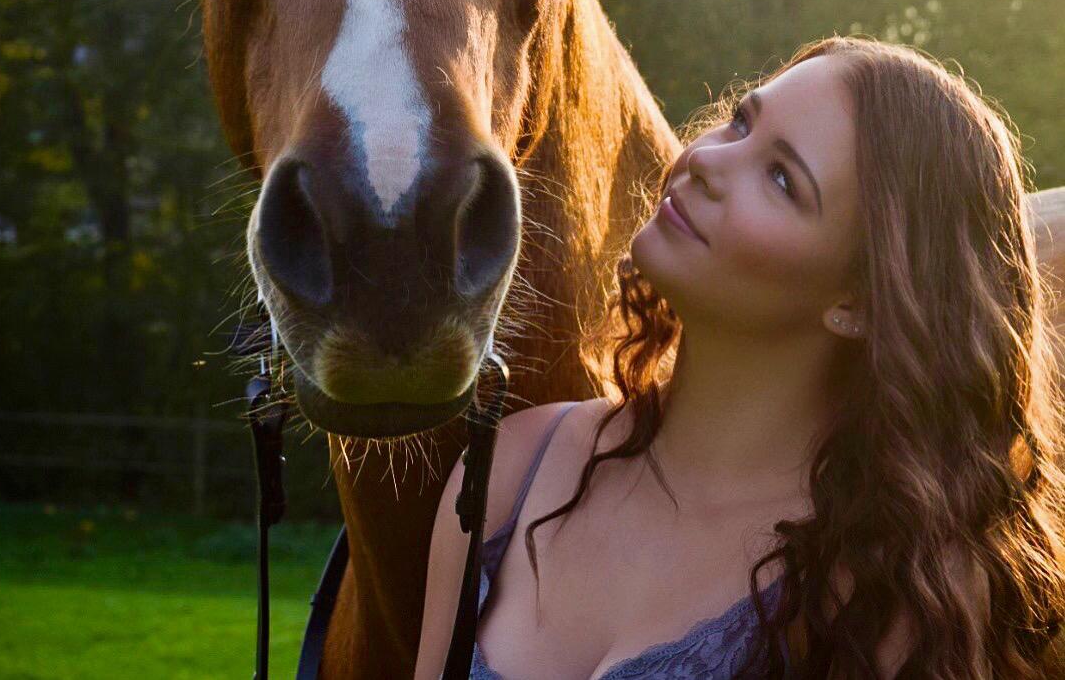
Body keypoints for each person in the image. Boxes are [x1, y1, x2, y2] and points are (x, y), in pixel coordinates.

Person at [414, 36, 1065, 679]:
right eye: (740, 122)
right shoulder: (509, 469)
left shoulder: (890, 597)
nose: (708, 162)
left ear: (859, 302)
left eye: (782, 177)